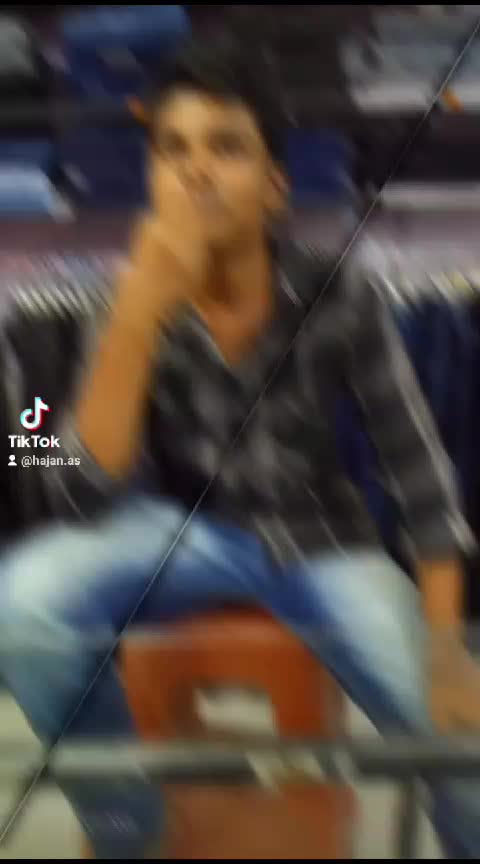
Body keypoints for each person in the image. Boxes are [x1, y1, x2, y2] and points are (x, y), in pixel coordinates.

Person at [1, 32, 480, 859]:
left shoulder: (341, 293)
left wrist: (445, 651)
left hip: (320, 540)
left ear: (274, 186)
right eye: (173, 149)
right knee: (21, 607)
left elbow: (420, 478)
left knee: (463, 746)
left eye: (225, 148)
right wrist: (138, 318)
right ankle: (129, 825)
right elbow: (78, 491)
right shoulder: (122, 300)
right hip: (171, 529)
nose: (195, 172)